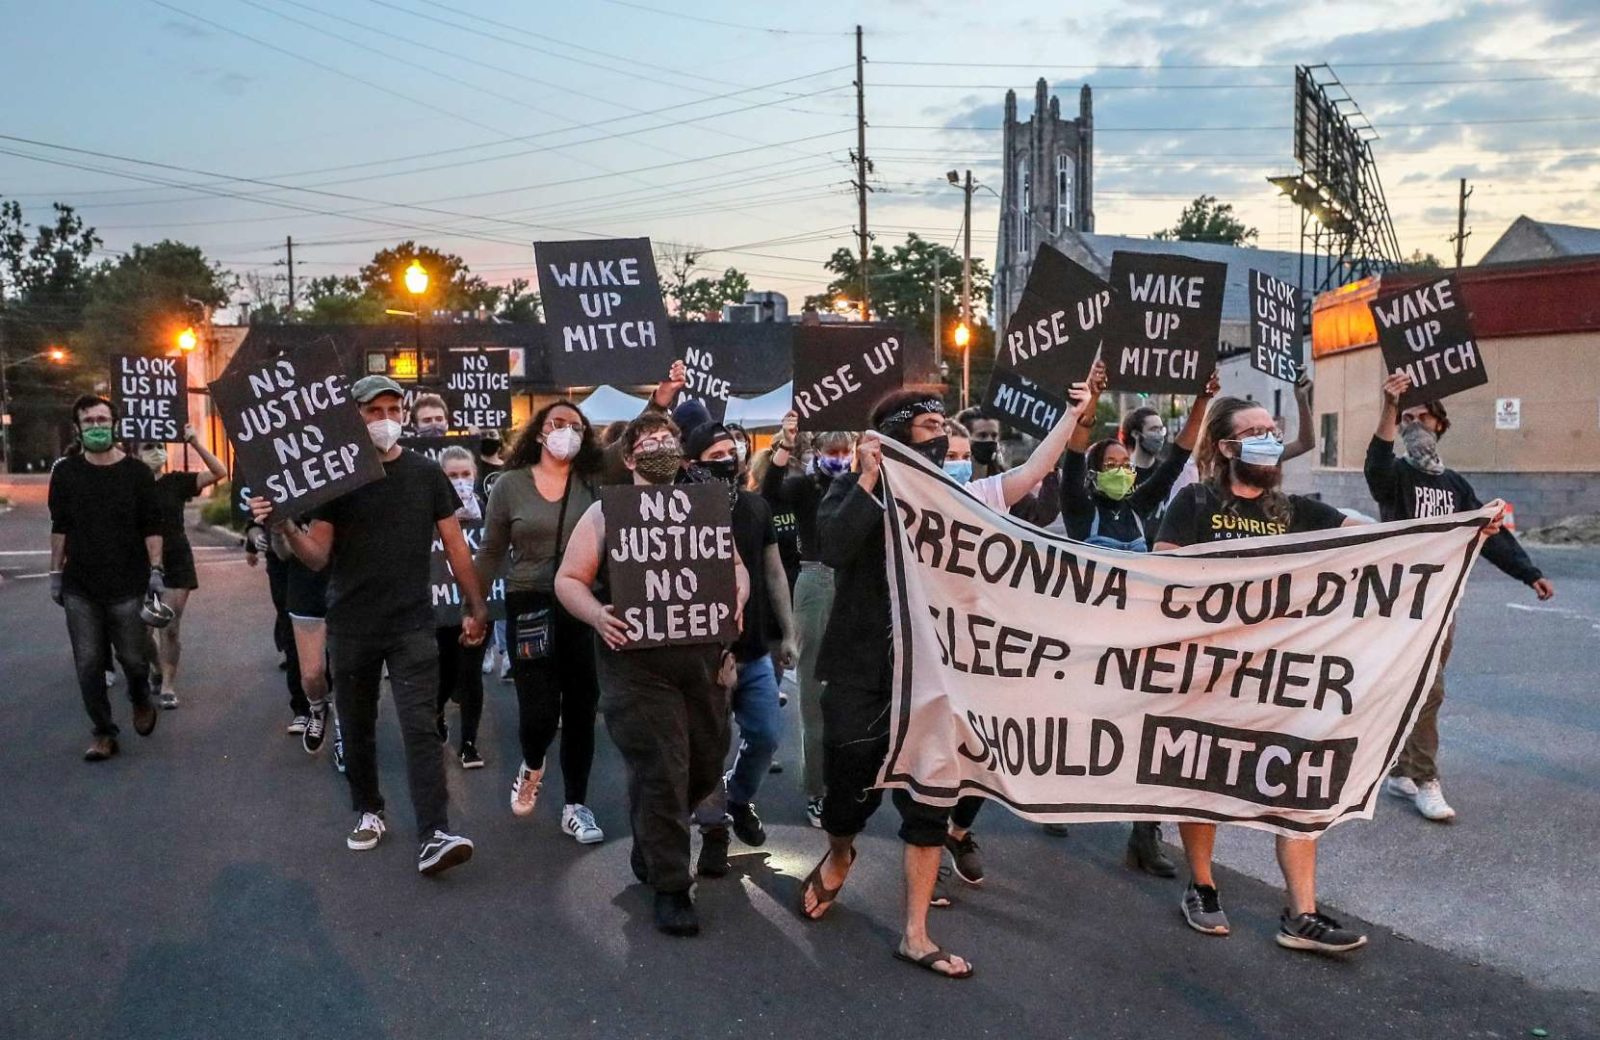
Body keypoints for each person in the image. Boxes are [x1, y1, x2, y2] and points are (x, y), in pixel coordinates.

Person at [799, 385, 1083, 978]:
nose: (943, 435)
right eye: (929, 425)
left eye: (943, 426)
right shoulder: (850, 489)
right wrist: (869, 479)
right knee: (848, 783)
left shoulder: (962, 497)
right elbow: (835, 545)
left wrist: (1074, 415)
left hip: (936, 676)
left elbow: (1034, 471)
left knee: (931, 797)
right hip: (862, 668)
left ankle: (915, 932)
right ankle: (840, 852)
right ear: (897, 435)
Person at [1154, 395, 1372, 955]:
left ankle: (1301, 912)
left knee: (1298, 781)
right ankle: (1202, 886)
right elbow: (1160, 571)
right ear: (1227, 447)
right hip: (1209, 669)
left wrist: (1457, 528)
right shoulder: (1195, 501)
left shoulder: (1292, 509)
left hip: (1280, 676)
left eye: (1272, 430)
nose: (1268, 438)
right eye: (1254, 431)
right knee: (1202, 777)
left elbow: (1372, 533)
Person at [254, 374, 488, 877]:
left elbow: (455, 545)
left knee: (421, 728)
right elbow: (316, 557)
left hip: (411, 624)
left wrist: (476, 603)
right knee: (357, 726)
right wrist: (285, 525)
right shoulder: (338, 481)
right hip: (353, 624)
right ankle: (369, 810)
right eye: (372, 411)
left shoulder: (426, 474)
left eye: (391, 409)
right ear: (354, 417)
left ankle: (435, 833)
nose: (384, 420)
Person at [555, 413, 749, 937]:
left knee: (706, 762)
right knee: (664, 767)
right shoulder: (604, 513)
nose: (661, 445)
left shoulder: (705, 509)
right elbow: (569, 579)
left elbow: (734, 567)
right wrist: (597, 615)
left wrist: (738, 594)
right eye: (649, 440)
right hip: (637, 667)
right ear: (629, 456)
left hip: (702, 661)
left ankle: (651, 832)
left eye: (668, 438)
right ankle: (670, 885)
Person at [1368, 372, 1554, 822]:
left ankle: (1401, 769)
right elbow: (1376, 465)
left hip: (1441, 603)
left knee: (1422, 691)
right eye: (1406, 419)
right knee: (1425, 690)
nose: (1413, 425)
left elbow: (1489, 535)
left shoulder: (1454, 486)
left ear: (1440, 424)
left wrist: (1529, 573)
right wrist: (1389, 408)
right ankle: (1426, 781)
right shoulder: (1396, 476)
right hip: (1401, 602)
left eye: (1421, 417)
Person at [1058, 360, 1217, 875]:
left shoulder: (1140, 502)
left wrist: (1200, 401)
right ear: (1096, 471)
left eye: (1127, 463)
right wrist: (1088, 404)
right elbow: (1072, 454)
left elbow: (1177, 457)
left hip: (1137, 634)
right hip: (1088, 637)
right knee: (1078, 722)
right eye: (1113, 462)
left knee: (1146, 731)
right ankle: (1052, 793)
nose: (1123, 469)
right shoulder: (1082, 507)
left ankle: (1144, 837)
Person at [476, 400, 606, 844]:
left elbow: (634, 447)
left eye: (576, 426)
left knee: (582, 705)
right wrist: (474, 606)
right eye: (557, 424)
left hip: (583, 602)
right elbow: (491, 550)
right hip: (529, 602)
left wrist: (662, 396)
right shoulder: (510, 486)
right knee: (538, 709)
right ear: (538, 433)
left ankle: (576, 804)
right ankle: (533, 763)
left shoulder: (593, 484)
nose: (566, 431)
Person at [683, 421, 798, 876]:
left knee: (767, 734)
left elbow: (772, 572)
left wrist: (787, 632)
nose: (728, 461)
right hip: (703, 653)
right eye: (716, 456)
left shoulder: (755, 506)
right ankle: (713, 831)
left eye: (732, 452)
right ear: (692, 465)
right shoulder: (678, 510)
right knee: (709, 746)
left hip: (752, 650)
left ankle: (739, 798)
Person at [49, 395, 166, 761]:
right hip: (80, 585)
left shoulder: (137, 474)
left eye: (102, 419)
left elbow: (152, 526)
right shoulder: (66, 473)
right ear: (78, 428)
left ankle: (140, 696)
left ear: (114, 424)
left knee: (133, 658)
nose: (96, 426)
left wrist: (157, 571)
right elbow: (60, 526)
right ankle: (102, 731)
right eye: (89, 421)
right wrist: (55, 573)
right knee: (88, 662)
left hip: (128, 584)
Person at [763, 417, 853, 826]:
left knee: (854, 693)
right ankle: (818, 790)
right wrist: (785, 443)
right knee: (814, 695)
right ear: (818, 453)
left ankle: (847, 782)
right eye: (832, 453)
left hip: (855, 582)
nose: (839, 460)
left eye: (844, 452)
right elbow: (768, 493)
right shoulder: (803, 486)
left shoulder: (863, 481)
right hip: (816, 578)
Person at [135, 423, 228, 710]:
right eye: (148, 447)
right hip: (137, 561)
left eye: (160, 446)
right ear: (136, 453)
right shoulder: (129, 483)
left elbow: (218, 472)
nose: (156, 451)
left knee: (170, 626)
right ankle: (155, 667)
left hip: (175, 559)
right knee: (140, 631)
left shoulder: (175, 481)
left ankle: (168, 685)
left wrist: (195, 442)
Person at [434, 445, 491, 769]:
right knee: (445, 672)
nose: (460, 481)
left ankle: (469, 741)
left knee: (470, 674)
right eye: (452, 476)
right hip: (442, 605)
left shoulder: (487, 509)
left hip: (478, 601)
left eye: (465, 474)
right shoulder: (430, 511)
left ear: (475, 474)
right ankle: (438, 711)